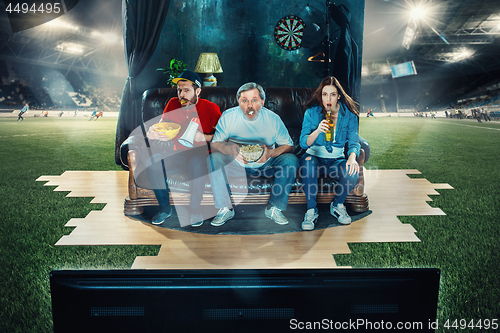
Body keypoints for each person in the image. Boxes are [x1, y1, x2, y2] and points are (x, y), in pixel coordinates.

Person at [207, 82, 299, 227]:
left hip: (265, 165)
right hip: (236, 165)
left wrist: (271, 153)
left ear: (262, 101)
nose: (249, 105)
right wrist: (229, 149)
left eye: (254, 100)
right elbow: (215, 144)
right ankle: (225, 208)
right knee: (214, 158)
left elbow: (289, 145)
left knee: (290, 160)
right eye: (245, 100)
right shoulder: (228, 116)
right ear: (239, 102)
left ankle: (275, 208)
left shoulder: (273, 119)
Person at [142, 70, 221, 226]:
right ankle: (165, 208)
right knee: (153, 162)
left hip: (201, 153)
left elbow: (224, 137)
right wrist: (153, 133)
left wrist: (204, 137)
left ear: (197, 91)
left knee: (197, 165)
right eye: (179, 90)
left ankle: (195, 209)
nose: (181, 94)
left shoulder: (210, 108)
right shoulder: (172, 104)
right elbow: (162, 127)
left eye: (187, 90)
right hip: (177, 152)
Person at [298, 76, 360, 231]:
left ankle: (337, 205)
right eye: (325, 94)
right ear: (321, 95)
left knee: (353, 171)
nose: (328, 98)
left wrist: (352, 158)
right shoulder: (311, 113)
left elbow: (353, 142)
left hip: (336, 160)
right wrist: (318, 130)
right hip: (314, 157)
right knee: (308, 164)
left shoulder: (350, 116)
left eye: (332, 94)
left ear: (339, 95)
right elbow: (303, 142)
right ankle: (311, 209)